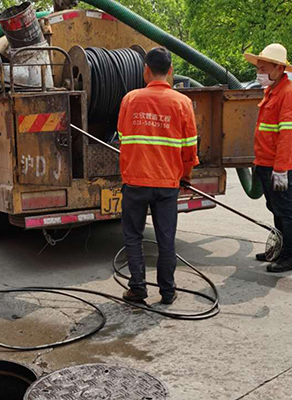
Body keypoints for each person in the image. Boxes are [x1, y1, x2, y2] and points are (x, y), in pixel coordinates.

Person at [118, 47, 199, 304]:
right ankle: (168, 291)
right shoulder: (182, 103)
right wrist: (185, 176)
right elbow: (190, 148)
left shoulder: (130, 100)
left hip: (135, 181)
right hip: (167, 184)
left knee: (133, 235)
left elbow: (122, 138)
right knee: (166, 237)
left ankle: (138, 288)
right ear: (171, 72)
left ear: (145, 71)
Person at [244, 44, 292, 273]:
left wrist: (281, 170)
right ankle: (280, 249)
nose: (258, 72)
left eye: (263, 67)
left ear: (278, 68)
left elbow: (287, 137)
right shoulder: (273, 90)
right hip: (266, 163)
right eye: (258, 67)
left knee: (286, 210)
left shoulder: (289, 94)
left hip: (280, 166)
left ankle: (291, 256)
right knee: (276, 208)